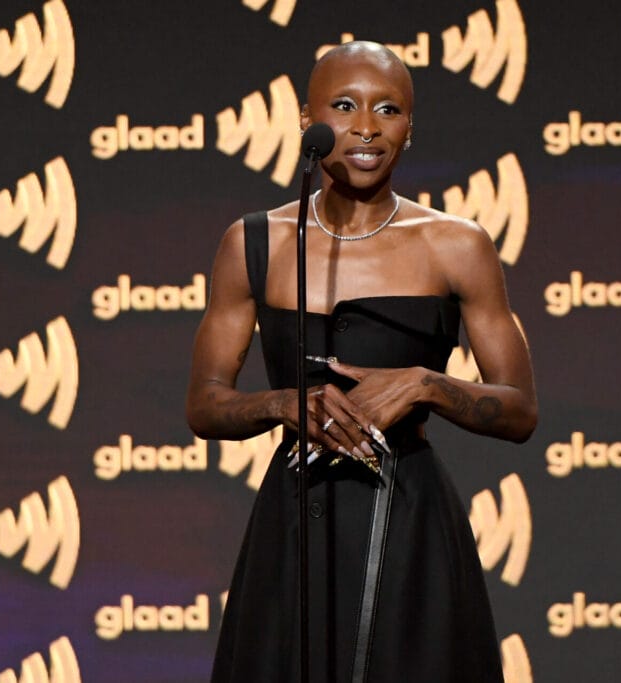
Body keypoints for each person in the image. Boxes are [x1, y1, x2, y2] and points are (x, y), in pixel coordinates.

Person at [186, 40, 536, 683]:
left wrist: (426, 384)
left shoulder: (457, 245)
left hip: (410, 525)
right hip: (294, 523)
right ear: (306, 119)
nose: (367, 127)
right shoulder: (253, 243)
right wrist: (280, 403)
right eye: (344, 106)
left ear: (410, 127)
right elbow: (205, 404)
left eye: (389, 109)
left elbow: (518, 411)